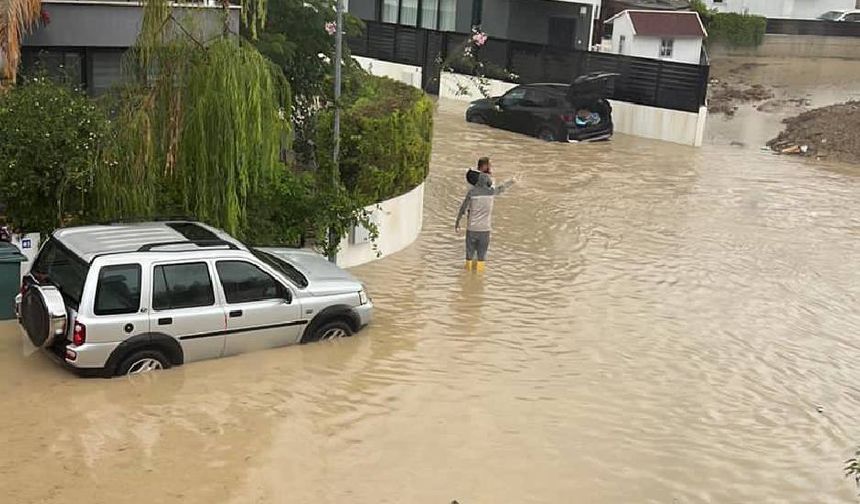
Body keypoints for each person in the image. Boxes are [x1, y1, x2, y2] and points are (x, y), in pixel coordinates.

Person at [455, 157, 515, 272]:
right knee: (481, 259)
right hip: (485, 229)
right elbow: (501, 188)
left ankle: (467, 277)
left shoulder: (471, 192)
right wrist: (512, 181)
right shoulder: (491, 192)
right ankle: (478, 282)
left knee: (469, 256)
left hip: (471, 228)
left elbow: (463, 209)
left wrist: (457, 223)